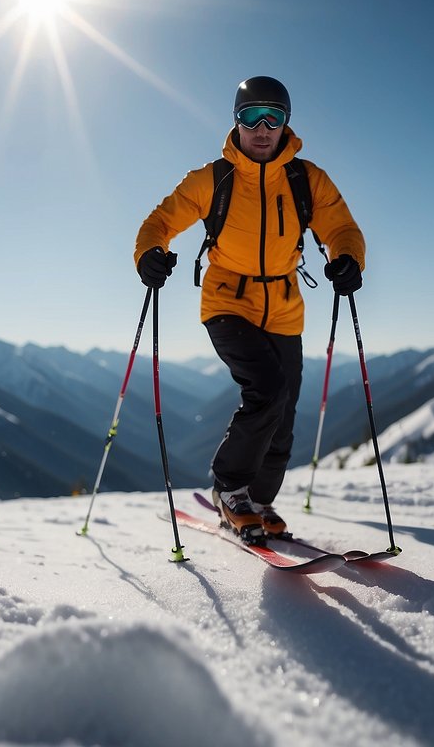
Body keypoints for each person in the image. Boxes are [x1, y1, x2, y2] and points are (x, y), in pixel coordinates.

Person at [134, 76, 365, 544]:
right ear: (236, 123)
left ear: (286, 125)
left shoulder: (306, 179)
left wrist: (347, 259)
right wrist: (149, 254)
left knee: (284, 410)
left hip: (283, 305)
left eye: (273, 117)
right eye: (250, 117)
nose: (262, 128)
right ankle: (228, 488)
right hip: (226, 300)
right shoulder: (213, 179)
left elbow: (341, 227)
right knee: (267, 389)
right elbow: (159, 221)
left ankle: (258, 500)